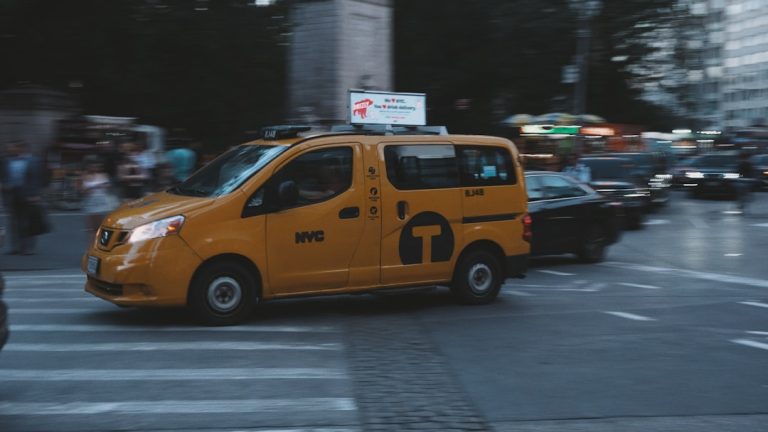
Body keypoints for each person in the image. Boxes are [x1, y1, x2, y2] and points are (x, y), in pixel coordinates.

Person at [0, 140, 44, 255]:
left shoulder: (34, 161)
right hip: (11, 194)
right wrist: (4, 184)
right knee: (13, 222)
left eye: (12, 147)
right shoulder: (7, 160)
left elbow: (38, 179)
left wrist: (36, 194)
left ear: (21, 148)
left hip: (28, 195)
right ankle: (16, 247)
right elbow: (3, 175)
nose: (9, 149)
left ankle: (28, 248)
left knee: (28, 222)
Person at [80, 155, 119, 238]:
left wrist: (106, 186)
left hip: (103, 202)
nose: (95, 167)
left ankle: (102, 243)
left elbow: (109, 188)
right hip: (91, 202)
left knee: (103, 226)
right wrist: (94, 187)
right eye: (92, 165)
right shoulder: (84, 176)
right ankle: (93, 244)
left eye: (96, 165)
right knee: (92, 228)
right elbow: (82, 191)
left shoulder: (103, 175)